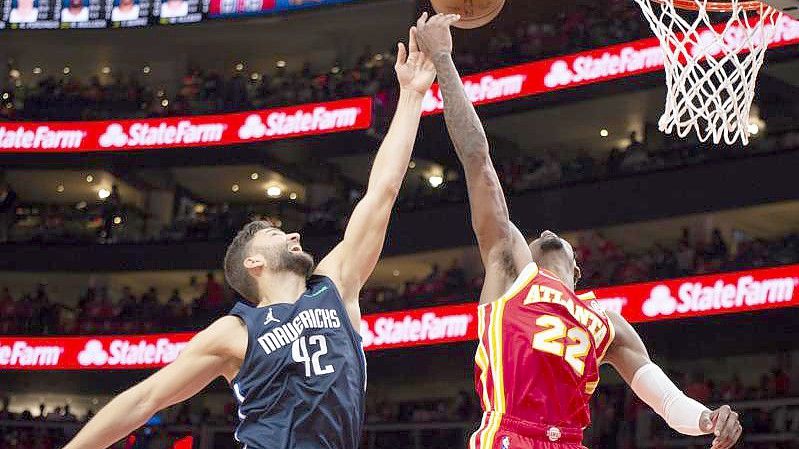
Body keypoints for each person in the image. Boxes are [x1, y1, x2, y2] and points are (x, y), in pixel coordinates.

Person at [61, 23, 436, 449]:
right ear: (252, 264)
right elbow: (144, 399)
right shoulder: (234, 332)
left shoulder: (336, 285)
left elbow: (382, 192)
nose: (294, 234)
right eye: (276, 234)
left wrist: (412, 96)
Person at [414, 12, 743, 449]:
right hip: (509, 435)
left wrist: (708, 419)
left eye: (559, 239)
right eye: (536, 235)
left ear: (577, 268)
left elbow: (666, 401)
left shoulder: (606, 323)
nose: (546, 231)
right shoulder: (513, 271)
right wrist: (443, 59)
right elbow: (479, 160)